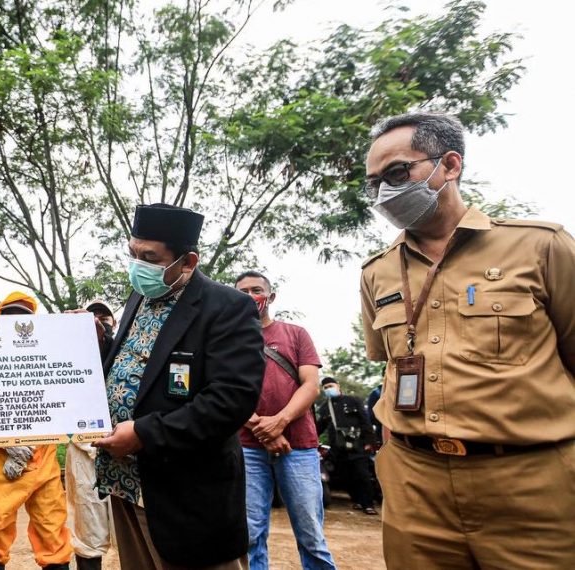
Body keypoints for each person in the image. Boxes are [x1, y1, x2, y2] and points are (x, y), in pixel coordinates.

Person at [360, 111, 575, 568]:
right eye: (374, 183)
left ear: (450, 165)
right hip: (415, 484)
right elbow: (389, 367)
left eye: (397, 173)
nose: (384, 193)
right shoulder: (377, 272)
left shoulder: (541, 246)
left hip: (532, 481)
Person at [92, 203, 265, 570]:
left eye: (149, 257)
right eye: (132, 253)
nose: (137, 265)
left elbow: (231, 401)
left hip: (186, 495)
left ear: (188, 262)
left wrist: (144, 433)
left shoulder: (227, 307)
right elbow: (136, 365)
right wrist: (99, 342)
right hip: (126, 482)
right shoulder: (140, 296)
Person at [235, 271, 336, 570]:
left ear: (271, 296)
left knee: (311, 533)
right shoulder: (227, 339)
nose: (250, 296)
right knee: (250, 533)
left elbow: (311, 386)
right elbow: (223, 389)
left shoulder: (296, 334)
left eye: (256, 290)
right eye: (242, 291)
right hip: (247, 447)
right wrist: (262, 429)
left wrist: (280, 421)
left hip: (299, 447)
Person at [0, 291, 72, 570]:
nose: (16, 323)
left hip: (43, 455)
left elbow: (67, 395)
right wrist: (5, 442)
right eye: (10, 317)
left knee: (52, 530)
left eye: (23, 318)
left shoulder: (48, 356)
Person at [63, 299, 117, 570]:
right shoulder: (67, 357)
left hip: (124, 449)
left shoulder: (123, 351)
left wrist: (103, 338)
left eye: (104, 318)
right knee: (87, 529)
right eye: (92, 316)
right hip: (83, 450)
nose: (98, 321)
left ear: (114, 324)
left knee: (133, 527)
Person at [314, 378, 377, 515]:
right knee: (346, 476)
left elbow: (365, 421)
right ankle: (357, 500)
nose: (328, 389)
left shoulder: (353, 401)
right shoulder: (325, 408)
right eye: (325, 387)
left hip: (358, 445)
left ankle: (368, 504)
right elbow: (319, 427)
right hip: (338, 449)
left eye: (330, 386)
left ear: (338, 385)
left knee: (363, 475)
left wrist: (369, 442)